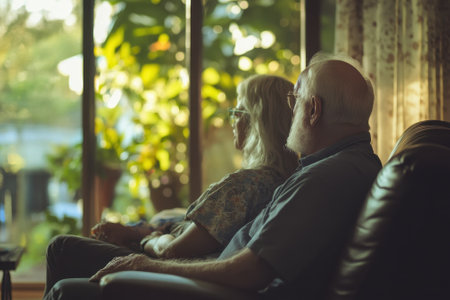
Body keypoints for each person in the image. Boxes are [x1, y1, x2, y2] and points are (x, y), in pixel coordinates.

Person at [45, 53, 382, 300]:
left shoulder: (323, 180)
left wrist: (147, 266)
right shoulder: (352, 166)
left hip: (215, 292)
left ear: (313, 110)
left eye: (295, 99)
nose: (290, 110)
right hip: (215, 282)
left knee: (64, 277)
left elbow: (247, 272)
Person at [43, 74, 299, 296]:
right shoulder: (284, 184)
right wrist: (137, 233)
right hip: (185, 271)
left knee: (61, 248)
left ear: (256, 123)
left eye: (238, 111)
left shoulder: (243, 186)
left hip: (172, 274)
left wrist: (147, 240)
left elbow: (173, 251)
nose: (233, 120)